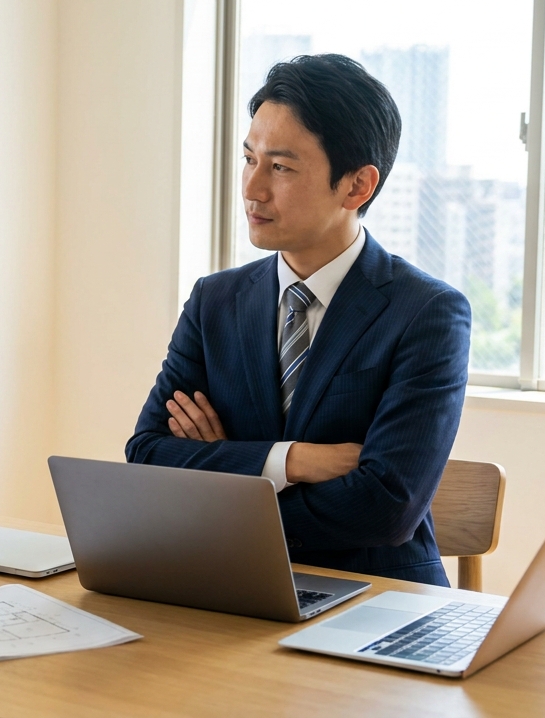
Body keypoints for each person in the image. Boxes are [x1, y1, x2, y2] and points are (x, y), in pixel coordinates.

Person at [125, 54, 471, 586]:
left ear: (357, 186)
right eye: (249, 159)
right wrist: (292, 462)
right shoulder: (214, 300)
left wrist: (220, 477)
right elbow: (147, 456)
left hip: (377, 598)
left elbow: (386, 506)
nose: (252, 188)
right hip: (230, 587)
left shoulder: (427, 313)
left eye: (281, 168)